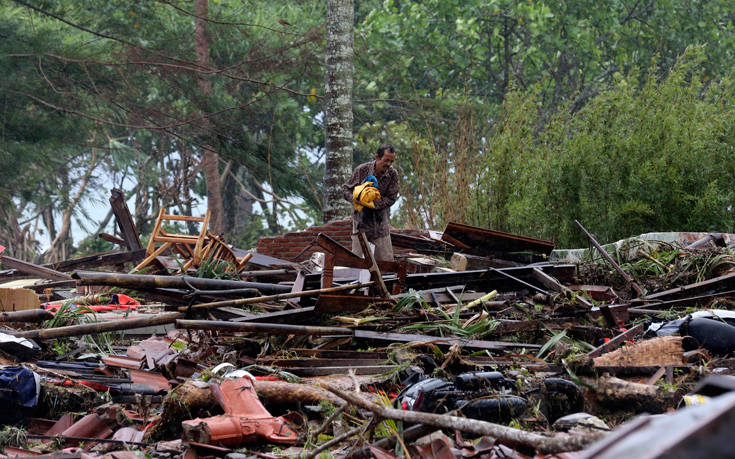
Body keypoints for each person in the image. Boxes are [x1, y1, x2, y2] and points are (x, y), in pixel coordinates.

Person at [341, 144, 398, 261]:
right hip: (360, 226)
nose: (388, 164)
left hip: (380, 227)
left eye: (391, 161)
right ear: (377, 157)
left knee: (387, 266)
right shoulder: (361, 170)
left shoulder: (393, 174)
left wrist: (373, 204)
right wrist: (355, 199)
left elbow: (391, 198)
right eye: (386, 160)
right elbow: (345, 189)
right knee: (357, 265)